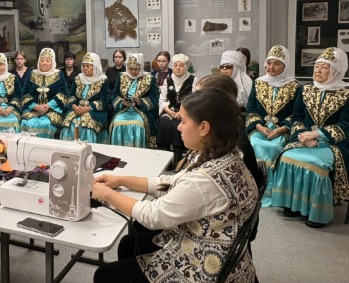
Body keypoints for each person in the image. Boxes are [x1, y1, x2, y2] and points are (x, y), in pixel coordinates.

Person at [92, 90, 258, 283]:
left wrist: (106, 194)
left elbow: (153, 216)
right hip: (219, 250)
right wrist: (121, 180)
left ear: (204, 127)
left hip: (205, 269)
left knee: (104, 276)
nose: (178, 127)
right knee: (129, 243)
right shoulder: (227, 153)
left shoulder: (204, 181)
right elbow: (170, 182)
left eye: (184, 121)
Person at [271, 47, 349, 228]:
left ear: (336, 70)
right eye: (316, 66)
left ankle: (317, 212)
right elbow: (297, 117)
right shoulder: (305, 89)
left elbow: (346, 125)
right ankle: (293, 205)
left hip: (336, 143)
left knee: (317, 165)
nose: (318, 70)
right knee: (286, 156)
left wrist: (317, 134)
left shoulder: (346, 93)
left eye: (324, 67)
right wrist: (304, 136)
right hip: (304, 138)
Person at [246, 45, 299, 206]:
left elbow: (297, 113)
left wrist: (282, 129)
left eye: (277, 63)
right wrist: (259, 127)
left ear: (285, 65)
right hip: (260, 128)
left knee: (276, 146)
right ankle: (254, 189)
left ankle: (273, 192)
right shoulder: (258, 83)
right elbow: (251, 109)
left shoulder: (295, 86)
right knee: (255, 143)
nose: (271, 67)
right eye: (269, 63)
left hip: (282, 129)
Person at [196, 74, 262, 188]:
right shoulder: (225, 121)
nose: (194, 100)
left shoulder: (234, 132)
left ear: (216, 100)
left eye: (199, 95)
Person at [109, 53, 159, 148]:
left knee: (138, 125)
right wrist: (122, 102)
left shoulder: (149, 78)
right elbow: (114, 94)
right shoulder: (122, 76)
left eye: (136, 69)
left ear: (141, 67)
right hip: (123, 110)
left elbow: (155, 98)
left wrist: (140, 101)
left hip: (142, 111)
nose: (133, 72)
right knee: (117, 124)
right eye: (130, 69)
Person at [156, 54, 199, 164]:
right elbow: (162, 99)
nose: (178, 68)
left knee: (177, 128)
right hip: (170, 111)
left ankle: (177, 160)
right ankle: (165, 161)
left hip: (186, 112)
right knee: (163, 125)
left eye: (181, 65)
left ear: (186, 67)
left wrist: (182, 112)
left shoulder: (193, 80)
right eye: (175, 65)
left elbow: (196, 100)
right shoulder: (168, 80)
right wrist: (168, 110)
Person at [60, 52, 110, 143]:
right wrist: (74, 106)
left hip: (94, 111)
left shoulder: (102, 80)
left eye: (88, 66)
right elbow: (71, 96)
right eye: (83, 66)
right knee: (70, 123)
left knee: (86, 125)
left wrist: (88, 108)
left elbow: (105, 101)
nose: (85, 68)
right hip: (76, 109)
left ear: (95, 67)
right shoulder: (78, 78)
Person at [21, 48, 68, 138]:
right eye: (42, 60)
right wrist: (35, 106)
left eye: (48, 61)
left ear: (52, 62)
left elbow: (64, 94)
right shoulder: (32, 74)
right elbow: (24, 94)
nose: (44, 63)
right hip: (33, 109)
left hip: (52, 110)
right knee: (26, 122)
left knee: (46, 124)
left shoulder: (59, 74)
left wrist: (49, 105)